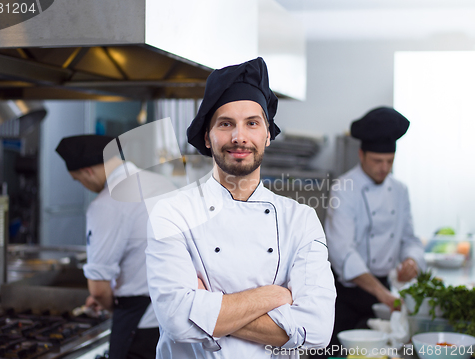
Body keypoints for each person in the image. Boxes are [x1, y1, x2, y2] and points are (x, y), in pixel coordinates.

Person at [145, 57, 336, 359]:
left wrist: (206, 305)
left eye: (252, 123)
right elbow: (176, 319)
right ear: (207, 137)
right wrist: (273, 296)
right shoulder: (172, 213)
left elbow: (318, 330)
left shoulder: (300, 220)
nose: (239, 137)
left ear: (268, 135)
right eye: (225, 124)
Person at [56, 135, 174, 359]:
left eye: (77, 179)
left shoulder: (107, 204)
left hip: (140, 326)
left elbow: (98, 290)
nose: (83, 185)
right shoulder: (162, 184)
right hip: (178, 318)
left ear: (88, 171)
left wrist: (110, 302)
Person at [324, 107, 426, 353]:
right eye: (377, 161)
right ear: (361, 154)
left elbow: (409, 238)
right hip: (347, 294)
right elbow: (341, 252)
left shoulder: (400, 191)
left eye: (389, 162)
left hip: (384, 294)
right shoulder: (344, 189)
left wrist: (412, 260)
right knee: (336, 352)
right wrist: (381, 293)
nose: (384, 168)